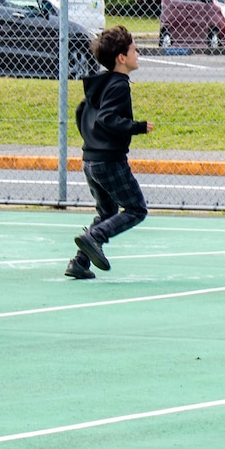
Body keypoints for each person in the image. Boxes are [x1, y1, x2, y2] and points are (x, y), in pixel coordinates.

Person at [67, 25, 153, 279]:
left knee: (107, 212)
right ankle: (95, 236)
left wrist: (91, 141)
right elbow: (107, 118)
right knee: (136, 209)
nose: (138, 54)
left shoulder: (99, 85)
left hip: (90, 160)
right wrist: (136, 127)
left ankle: (80, 262)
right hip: (110, 161)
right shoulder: (119, 85)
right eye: (134, 50)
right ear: (121, 58)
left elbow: (81, 113)